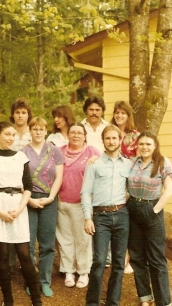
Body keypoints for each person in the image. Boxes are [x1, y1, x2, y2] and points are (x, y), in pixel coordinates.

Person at [0, 121, 42, 306]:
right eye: (7, 134)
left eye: (13, 135)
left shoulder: (20, 157)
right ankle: (8, 300)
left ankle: (36, 300)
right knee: (3, 255)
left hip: (17, 207)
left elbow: (28, 186)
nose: (11, 138)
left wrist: (21, 208)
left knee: (24, 255)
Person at [81, 125, 132, 305]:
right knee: (99, 261)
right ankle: (92, 302)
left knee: (119, 263)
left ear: (120, 141)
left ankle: (112, 302)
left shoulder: (128, 165)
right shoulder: (94, 164)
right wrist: (88, 217)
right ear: (103, 140)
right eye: (108, 138)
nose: (111, 141)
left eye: (114, 138)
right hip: (100, 216)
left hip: (122, 215)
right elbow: (86, 192)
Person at [127, 132, 172, 306]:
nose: (144, 147)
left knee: (156, 259)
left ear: (155, 146)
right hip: (132, 209)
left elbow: (168, 190)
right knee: (137, 257)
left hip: (152, 209)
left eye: (148, 144)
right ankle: (145, 298)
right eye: (141, 144)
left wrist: (155, 210)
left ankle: (164, 302)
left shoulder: (163, 162)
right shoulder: (132, 162)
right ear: (137, 146)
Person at [21, 117, 64, 297]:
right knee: (29, 244)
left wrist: (51, 197)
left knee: (47, 244)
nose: (38, 132)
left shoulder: (54, 151)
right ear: (30, 131)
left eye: (41, 129)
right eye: (35, 129)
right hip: (29, 200)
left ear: (46, 131)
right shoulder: (22, 152)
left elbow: (59, 177)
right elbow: (19, 180)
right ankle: (31, 281)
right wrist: (29, 200)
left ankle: (45, 282)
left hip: (49, 200)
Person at [56, 122, 100, 289]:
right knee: (65, 238)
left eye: (79, 133)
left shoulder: (92, 152)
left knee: (82, 239)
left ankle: (83, 272)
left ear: (84, 136)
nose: (75, 135)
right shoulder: (58, 151)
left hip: (82, 204)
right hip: (61, 202)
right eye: (72, 132)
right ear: (68, 135)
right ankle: (68, 271)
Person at [110, 100, 140, 274]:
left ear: (128, 116)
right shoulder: (110, 132)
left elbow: (138, 160)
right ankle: (116, 259)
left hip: (128, 181)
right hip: (111, 181)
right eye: (117, 112)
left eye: (123, 113)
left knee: (126, 221)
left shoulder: (135, 136)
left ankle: (128, 259)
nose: (119, 116)